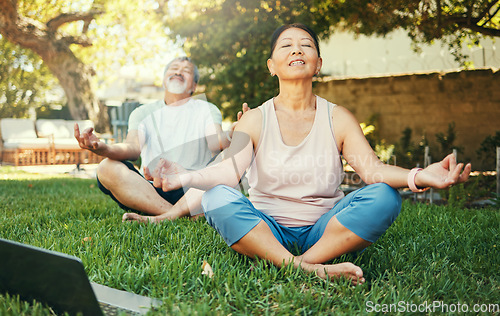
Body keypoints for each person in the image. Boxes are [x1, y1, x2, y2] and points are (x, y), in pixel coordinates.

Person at [148, 24, 471, 284]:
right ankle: (311, 268)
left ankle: (298, 264)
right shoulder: (256, 118)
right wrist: (185, 176)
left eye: (306, 44)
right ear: (272, 66)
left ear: (317, 64)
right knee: (217, 197)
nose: (296, 49)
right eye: (286, 45)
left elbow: (372, 170)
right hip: (267, 227)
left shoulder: (338, 117)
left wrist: (418, 176)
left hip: (323, 230)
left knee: (384, 197)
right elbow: (228, 173)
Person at [74, 56, 245, 222]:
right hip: (151, 190)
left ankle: (165, 217)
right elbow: (132, 148)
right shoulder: (142, 112)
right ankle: (178, 215)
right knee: (106, 167)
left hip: (194, 190)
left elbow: (216, 142)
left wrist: (233, 134)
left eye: (186, 71)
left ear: (194, 85)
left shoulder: (207, 109)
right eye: (174, 69)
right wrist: (102, 148)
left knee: (229, 157)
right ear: (164, 80)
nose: (179, 72)